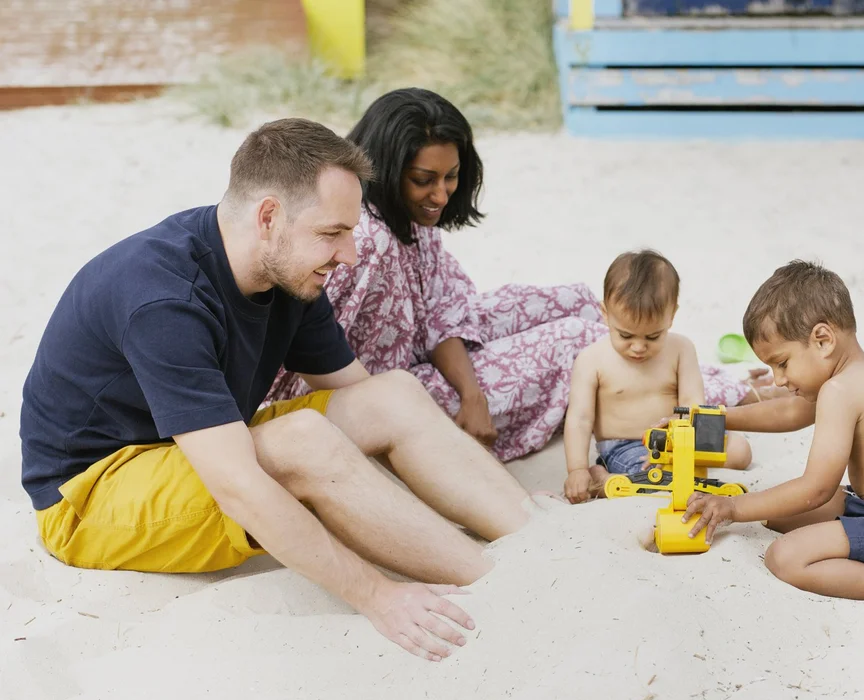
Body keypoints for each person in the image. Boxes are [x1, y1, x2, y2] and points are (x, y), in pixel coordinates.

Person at [20, 118, 542, 662]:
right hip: (89, 499)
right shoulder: (164, 299)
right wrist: (377, 594)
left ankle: (540, 538)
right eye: (332, 233)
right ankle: (505, 582)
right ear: (268, 216)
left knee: (395, 393)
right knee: (300, 442)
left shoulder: (288, 271)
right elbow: (239, 485)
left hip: (195, 449)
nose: (349, 256)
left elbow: (370, 409)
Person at [266, 88, 766, 461]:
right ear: (387, 169)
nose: (441, 195)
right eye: (424, 180)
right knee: (576, 339)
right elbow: (314, 359)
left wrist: (473, 391)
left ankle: (711, 378)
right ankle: (729, 391)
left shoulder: (413, 224)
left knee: (577, 300)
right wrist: (467, 398)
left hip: (425, 348)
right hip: (381, 390)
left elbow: (444, 315)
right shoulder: (363, 241)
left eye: (451, 176)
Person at [681, 260, 864, 602]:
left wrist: (733, 507)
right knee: (778, 517)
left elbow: (816, 489)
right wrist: (718, 417)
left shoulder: (840, 391)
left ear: (822, 340)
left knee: (785, 556)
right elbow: (789, 412)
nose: (778, 379)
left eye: (782, 363)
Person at [562, 250, 753, 503]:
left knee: (740, 451)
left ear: (671, 315)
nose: (639, 347)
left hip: (679, 437)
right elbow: (580, 419)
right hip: (627, 445)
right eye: (626, 336)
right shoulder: (591, 360)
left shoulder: (681, 348)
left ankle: (664, 474)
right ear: (605, 313)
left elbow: (693, 401)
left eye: (652, 336)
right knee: (650, 476)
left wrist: (680, 427)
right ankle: (600, 478)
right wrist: (576, 469)